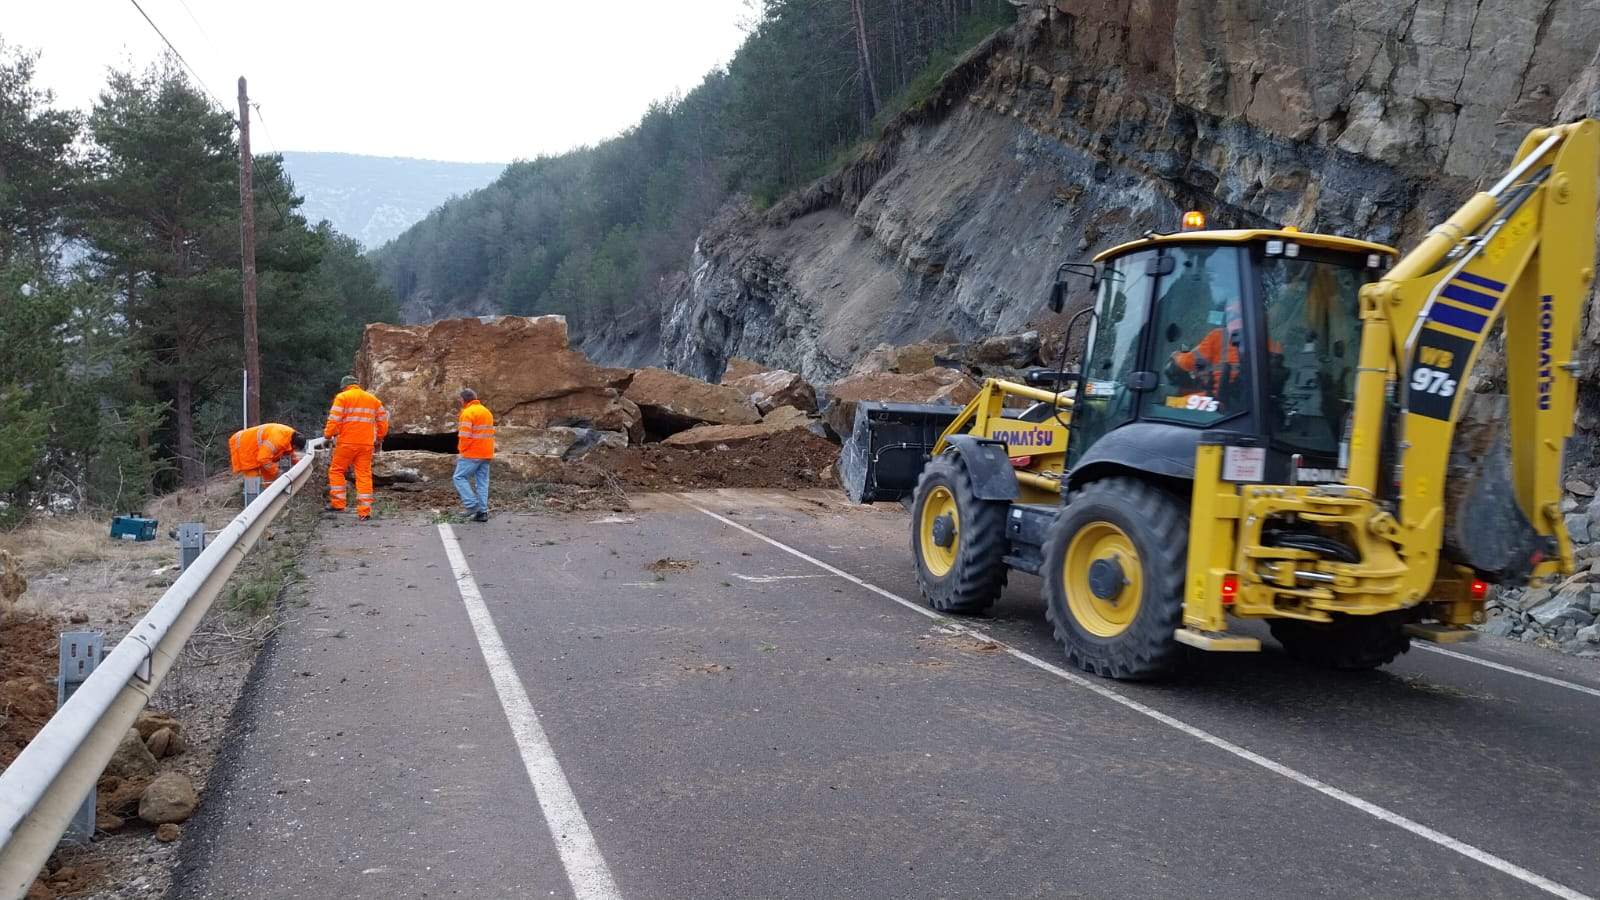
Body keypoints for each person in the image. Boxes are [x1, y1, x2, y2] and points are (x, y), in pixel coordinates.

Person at [324, 375, 388, 521]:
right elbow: (383, 421)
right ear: (356, 385)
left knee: (336, 470)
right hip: (366, 444)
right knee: (364, 475)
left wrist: (328, 434)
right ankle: (364, 511)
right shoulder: (372, 399)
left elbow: (334, 420)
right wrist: (379, 437)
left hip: (346, 443)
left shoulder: (342, 397)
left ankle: (338, 504)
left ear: (344, 387)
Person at [453, 388, 495, 522]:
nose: (459, 401)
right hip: (486, 453)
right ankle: (482, 513)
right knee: (482, 483)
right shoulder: (486, 411)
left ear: (463, 400)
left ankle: (472, 505)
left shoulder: (467, 413)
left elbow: (465, 436)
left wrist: (461, 452)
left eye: (460, 399)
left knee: (459, 477)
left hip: (472, 453)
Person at [227, 423, 306, 486]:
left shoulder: (290, 436)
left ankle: (269, 492)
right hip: (245, 447)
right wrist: (277, 471)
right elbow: (263, 458)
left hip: (257, 449)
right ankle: (253, 499)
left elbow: (289, 451)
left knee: (270, 475)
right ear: (294, 444)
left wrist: (298, 464)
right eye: (295, 448)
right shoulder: (277, 440)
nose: (294, 450)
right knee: (253, 478)